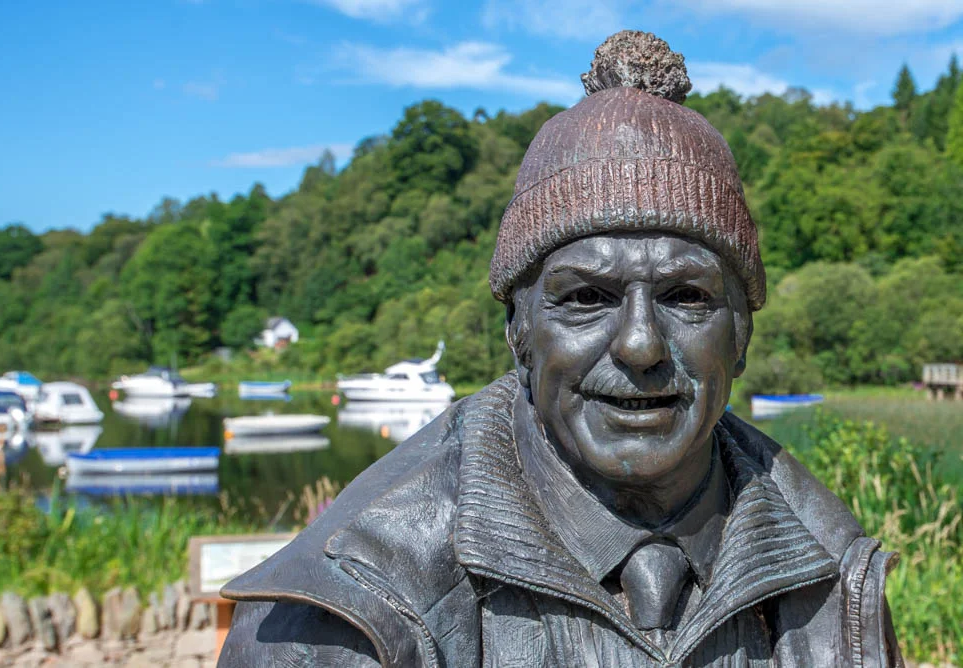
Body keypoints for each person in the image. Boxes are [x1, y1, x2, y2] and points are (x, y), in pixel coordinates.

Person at [218, 31, 902, 667]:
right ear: (517, 332)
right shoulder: (345, 616)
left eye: (687, 297)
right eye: (586, 298)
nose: (640, 345)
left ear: (742, 334)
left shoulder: (839, 582)